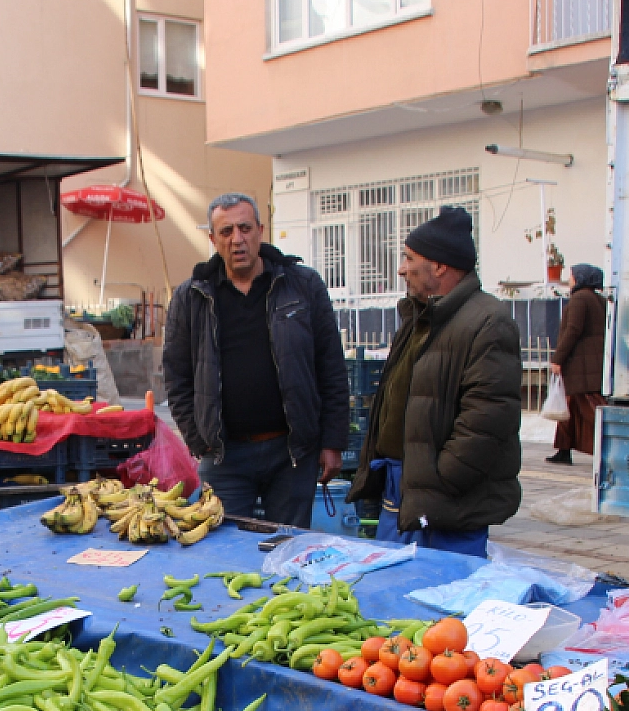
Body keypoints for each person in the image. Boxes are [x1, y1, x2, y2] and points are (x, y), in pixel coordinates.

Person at [163, 192, 349, 528]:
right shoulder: (191, 296)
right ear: (212, 239)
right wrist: (198, 440)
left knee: (288, 550)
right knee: (225, 551)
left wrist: (332, 441)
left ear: (260, 230)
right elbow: (177, 378)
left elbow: (331, 367)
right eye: (226, 232)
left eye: (245, 228)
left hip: (292, 451)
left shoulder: (302, 285)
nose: (238, 239)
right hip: (224, 457)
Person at [346, 207, 522, 557]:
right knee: (393, 596)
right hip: (403, 489)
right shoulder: (421, 316)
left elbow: (486, 421)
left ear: (439, 265)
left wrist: (441, 480)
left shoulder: (488, 321)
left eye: (409, 258)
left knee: (441, 600)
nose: (402, 268)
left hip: (444, 502)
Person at [546, 263, 607, 465]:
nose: (569, 279)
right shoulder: (599, 300)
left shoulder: (580, 299)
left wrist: (558, 359)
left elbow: (572, 330)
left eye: (572, 276)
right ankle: (563, 450)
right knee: (569, 407)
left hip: (582, 365)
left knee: (590, 408)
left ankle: (609, 445)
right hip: (591, 363)